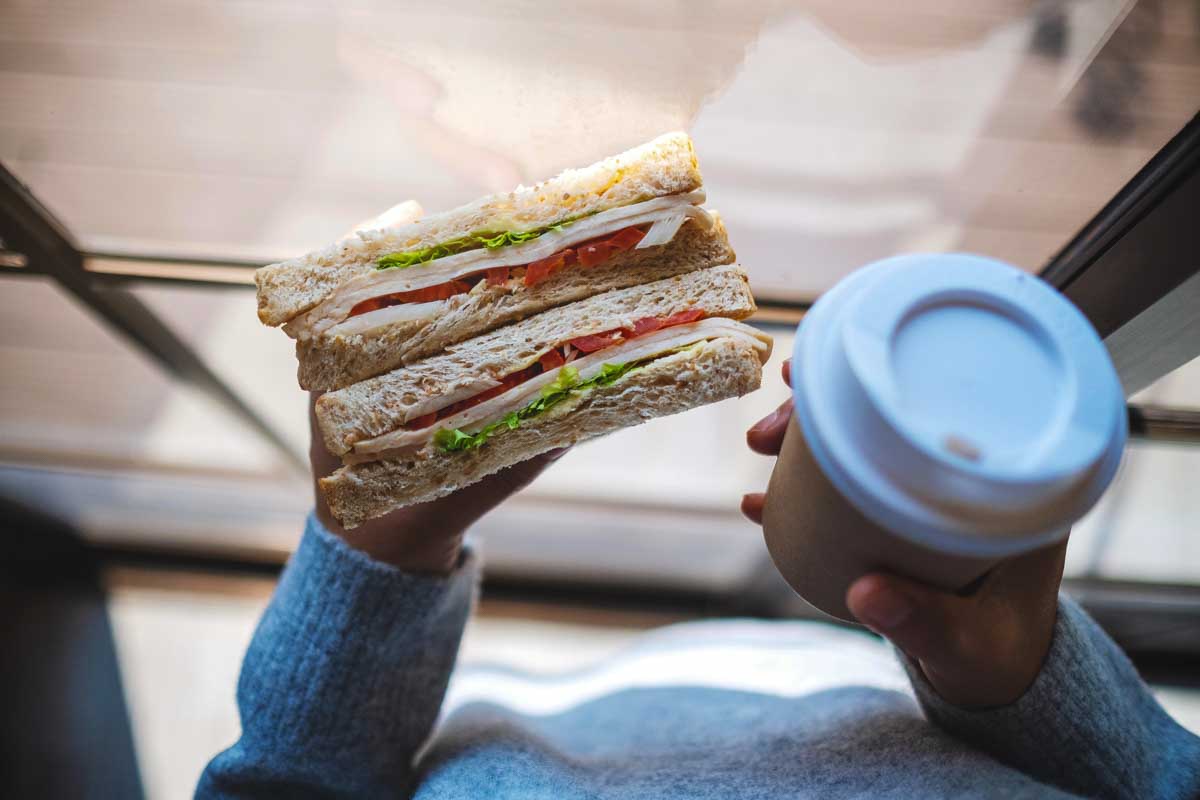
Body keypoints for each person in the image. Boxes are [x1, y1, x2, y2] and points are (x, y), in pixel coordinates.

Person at [197, 361, 1200, 799]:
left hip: (547, 702)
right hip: (905, 694)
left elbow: (283, 792)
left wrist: (368, 562)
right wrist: (1024, 679)